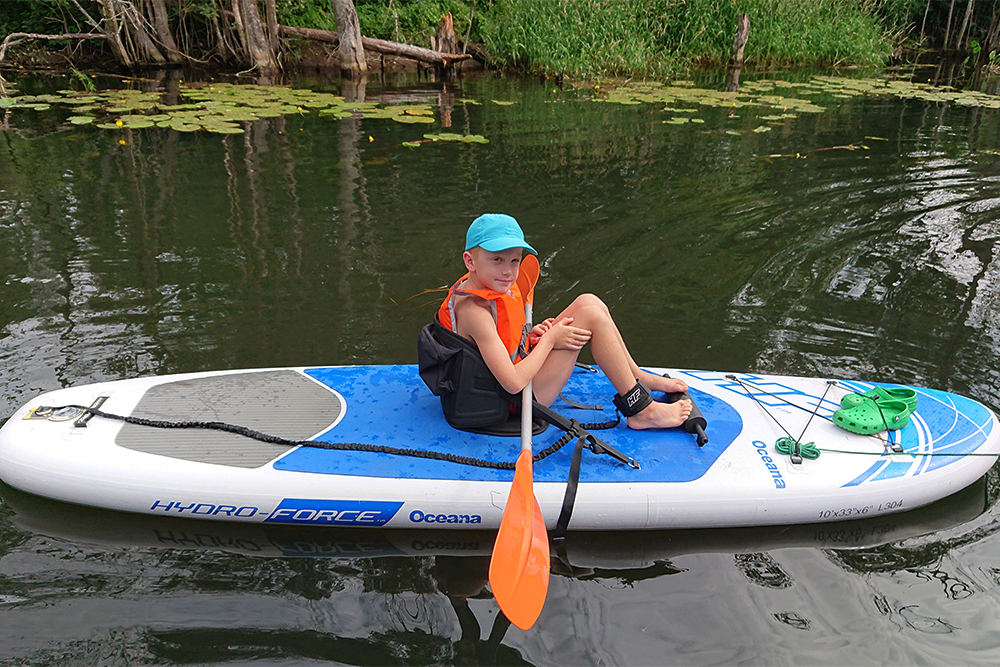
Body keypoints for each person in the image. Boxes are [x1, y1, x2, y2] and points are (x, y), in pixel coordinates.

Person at [437, 213, 692, 430]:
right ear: (470, 261)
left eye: (514, 260)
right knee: (590, 317)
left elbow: (501, 340)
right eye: (497, 260)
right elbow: (513, 383)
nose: (508, 271)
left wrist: (532, 334)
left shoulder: (482, 281)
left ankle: (635, 376)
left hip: (511, 377)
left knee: (588, 301)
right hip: (513, 399)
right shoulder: (474, 311)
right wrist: (549, 341)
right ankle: (640, 410)